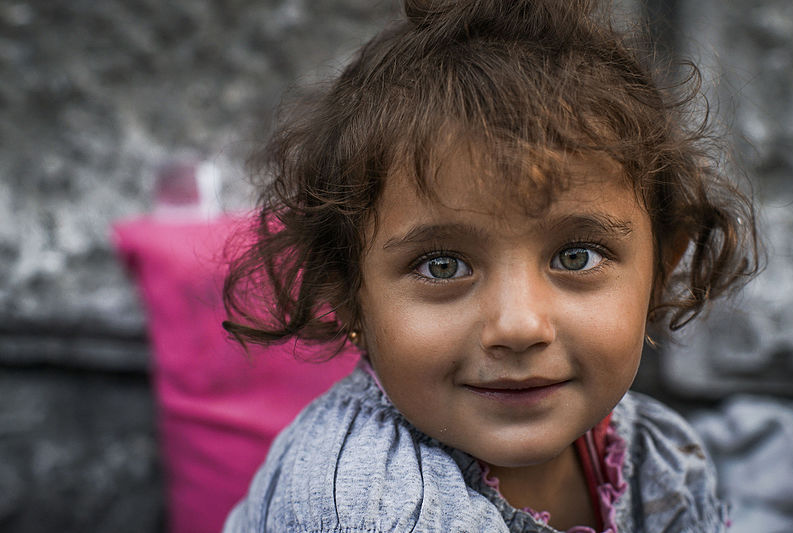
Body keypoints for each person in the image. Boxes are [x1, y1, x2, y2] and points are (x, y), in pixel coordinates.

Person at [221, 1, 759, 531]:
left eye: (577, 256)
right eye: (443, 266)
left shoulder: (658, 457)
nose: (519, 326)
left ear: (661, 269)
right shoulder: (371, 508)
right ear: (346, 291)